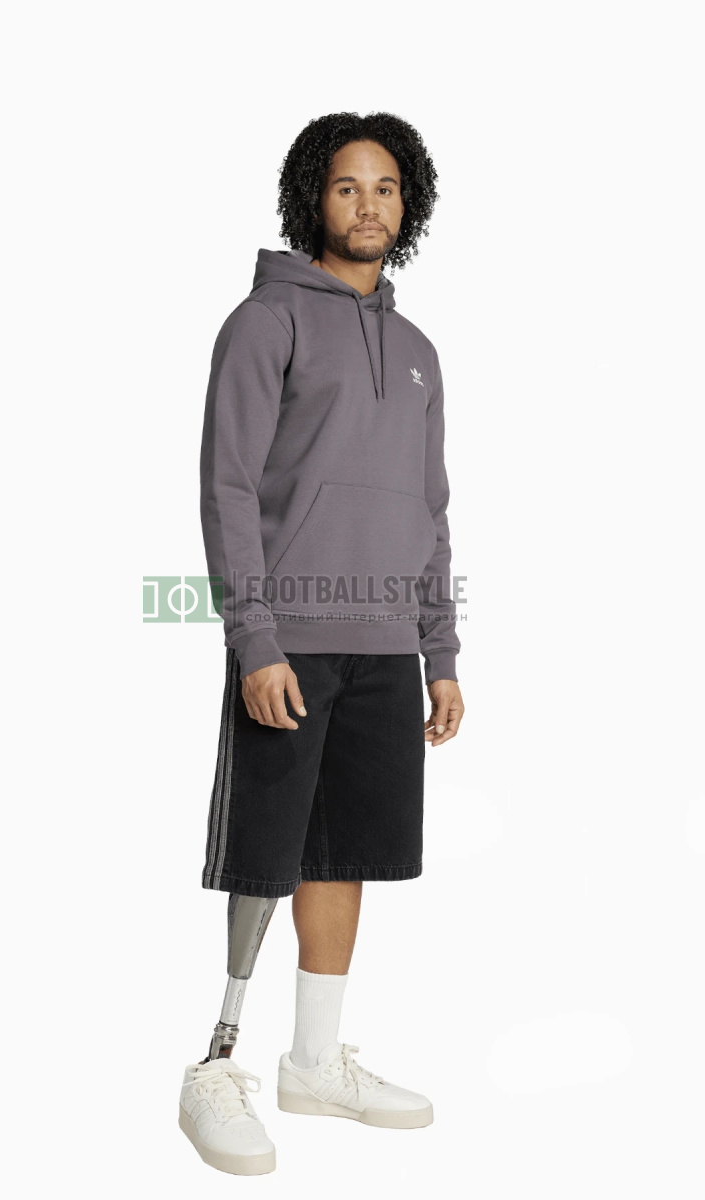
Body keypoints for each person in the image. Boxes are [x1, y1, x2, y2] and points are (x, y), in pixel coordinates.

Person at [179, 111, 465, 1175]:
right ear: (315, 199)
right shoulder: (266, 321)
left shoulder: (419, 352)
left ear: (407, 204)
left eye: (385, 188)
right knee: (266, 847)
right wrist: (253, 638)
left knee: (343, 852)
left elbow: (431, 511)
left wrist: (439, 653)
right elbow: (227, 486)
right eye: (347, 187)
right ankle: (214, 1061)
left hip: (386, 646)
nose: (368, 205)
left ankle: (311, 1063)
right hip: (288, 638)